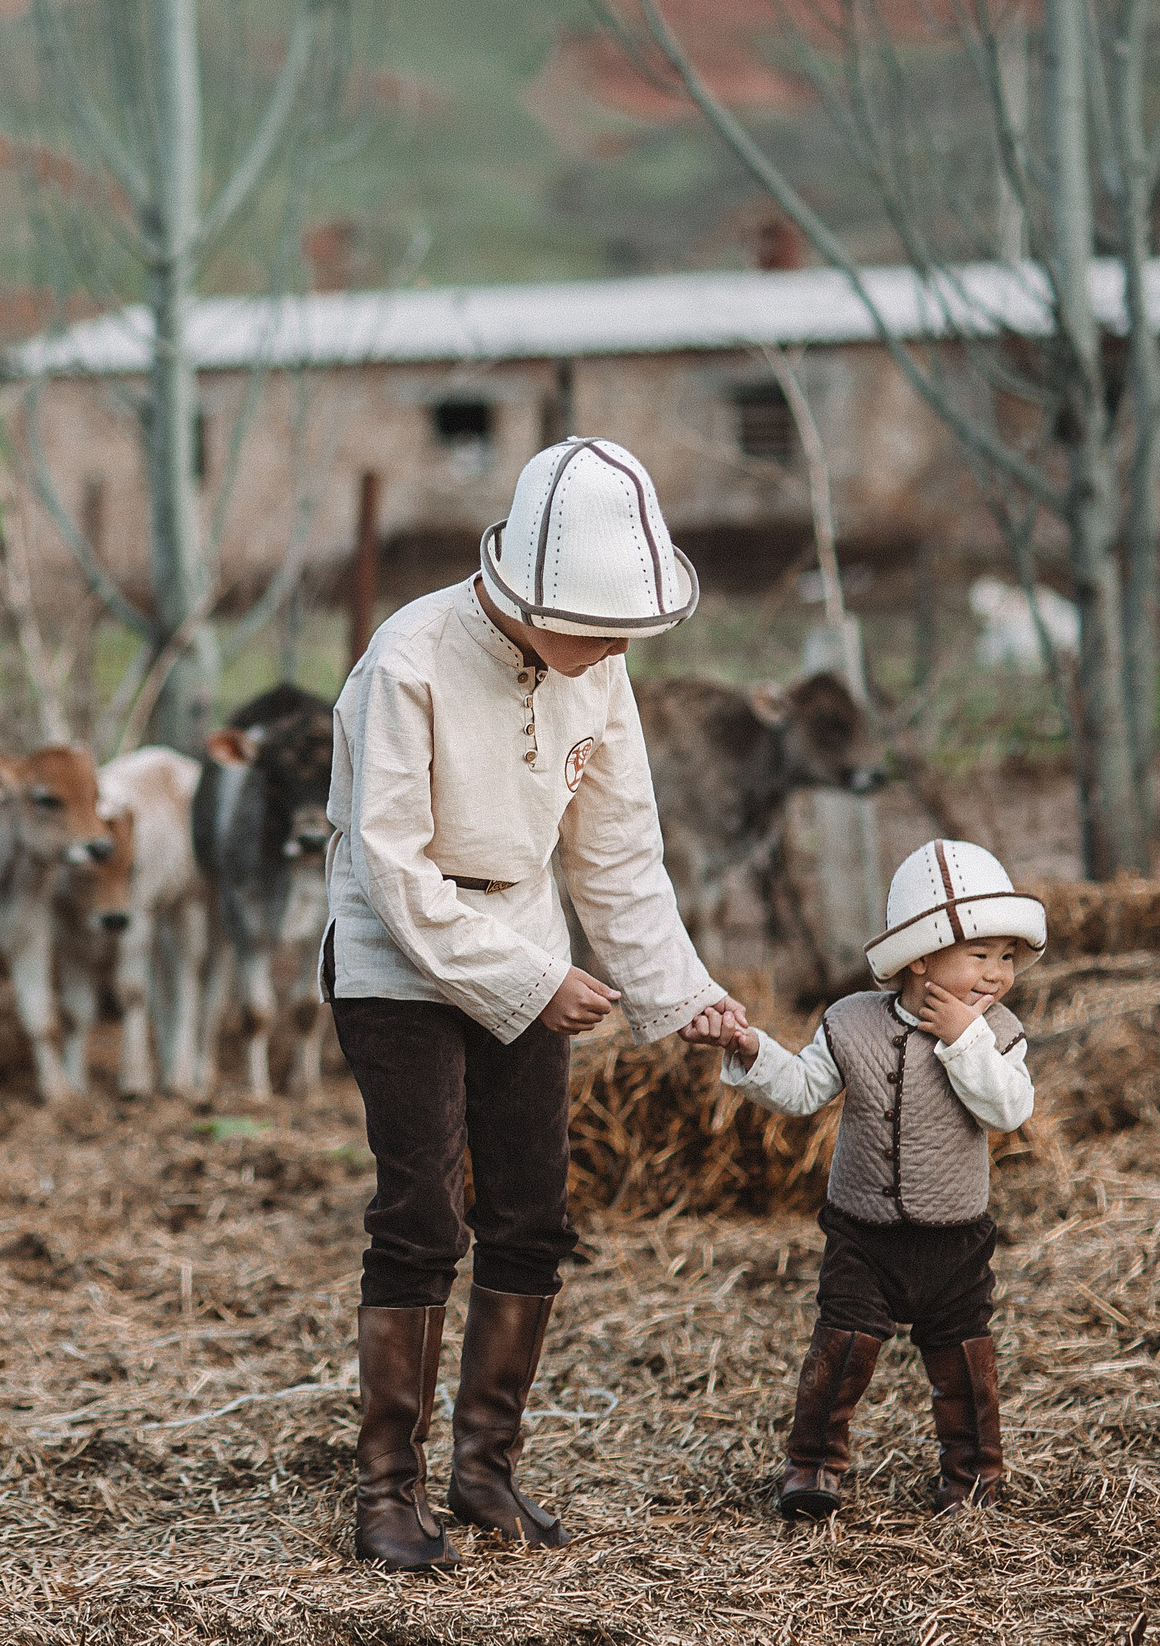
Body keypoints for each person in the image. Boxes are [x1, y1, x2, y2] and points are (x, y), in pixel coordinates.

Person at [325, 435, 750, 1571]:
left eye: (628, 630)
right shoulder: (404, 661)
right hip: (396, 961)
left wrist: (682, 995)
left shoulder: (593, 670)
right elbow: (391, 868)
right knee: (421, 1216)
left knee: (532, 1213)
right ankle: (386, 1493)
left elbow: (616, 851)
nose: (617, 648)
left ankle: (483, 1472)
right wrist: (527, 980)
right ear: (524, 596)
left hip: (524, 936)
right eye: (601, 627)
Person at [686, 839, 1041, 1520]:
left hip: (955, 1234)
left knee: (964, 1358)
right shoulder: (853, 1022)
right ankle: (812, 1464)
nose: (998, 972)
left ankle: (973, 1475)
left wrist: (966, 1036)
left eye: (1007, 957)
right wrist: (752, 1048)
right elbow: (801, 1089)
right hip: (862, 1231)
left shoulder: (998, 1033)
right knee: (841, 1347)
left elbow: (1009, 1108)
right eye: (980, 954)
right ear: (920, 956)